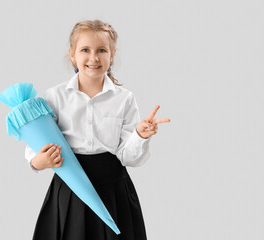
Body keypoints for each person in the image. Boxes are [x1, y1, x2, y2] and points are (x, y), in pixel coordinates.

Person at [25, 19, 170, 240]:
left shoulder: (125, 99)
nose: (93, 58)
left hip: (114, 192)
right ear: (72, 54)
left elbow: (128, 157)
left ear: (112, 56)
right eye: (85, 50)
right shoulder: (54, 97)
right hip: (70, 188)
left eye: (102, 50)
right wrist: (38, 162)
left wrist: (140, 135)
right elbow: (34, 146)